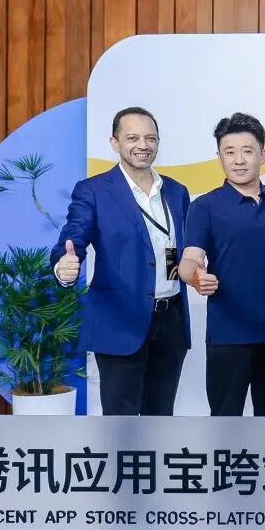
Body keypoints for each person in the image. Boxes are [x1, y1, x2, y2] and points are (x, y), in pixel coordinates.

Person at [51, 107, 190, 415]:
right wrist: (64, 264)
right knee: (120, 422)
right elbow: (73, 236)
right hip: (119, 321)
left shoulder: (176, 191)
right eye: (133, 138)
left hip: (171, 321)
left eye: (150, 138)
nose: (143, 145)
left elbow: (175, 249)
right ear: (115, 143)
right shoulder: (94, 190)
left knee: (161, 417)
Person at [178, 113, 265, 417]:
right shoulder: (205, 207)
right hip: (228, 337)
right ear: (219, 158)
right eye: (230, 152)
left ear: (262, 155)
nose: (238, 160)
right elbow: (190, 259)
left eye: (247, 151)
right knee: (225, 424)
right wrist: (196, 278)